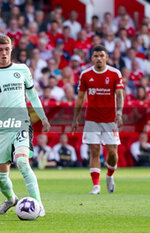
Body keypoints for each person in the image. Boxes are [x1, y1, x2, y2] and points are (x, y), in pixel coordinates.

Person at [0, 35, 50, 216]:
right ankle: (12, 199)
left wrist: (43, 117)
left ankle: (39, 205)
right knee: (1, 178)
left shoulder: (22, 69)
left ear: (11, 49)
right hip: (3, 127)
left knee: (22, 161)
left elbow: (33, 95)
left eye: (7, 49)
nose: (4, 53)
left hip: (22, 123)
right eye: (0, 49)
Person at [72, 45, 124, 195]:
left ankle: (109, 175)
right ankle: (96, 186)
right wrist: (75, 119)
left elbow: (119, 95)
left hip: (110, 119)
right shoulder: (86, 75)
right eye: (96, 56)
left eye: (101, 55)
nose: (99, 58)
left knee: (113, 153)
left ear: (106, 57)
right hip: (92, 119)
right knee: (94, 150)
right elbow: (80, 98)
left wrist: (119, 113)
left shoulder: (115, 73)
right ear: (92, 58)